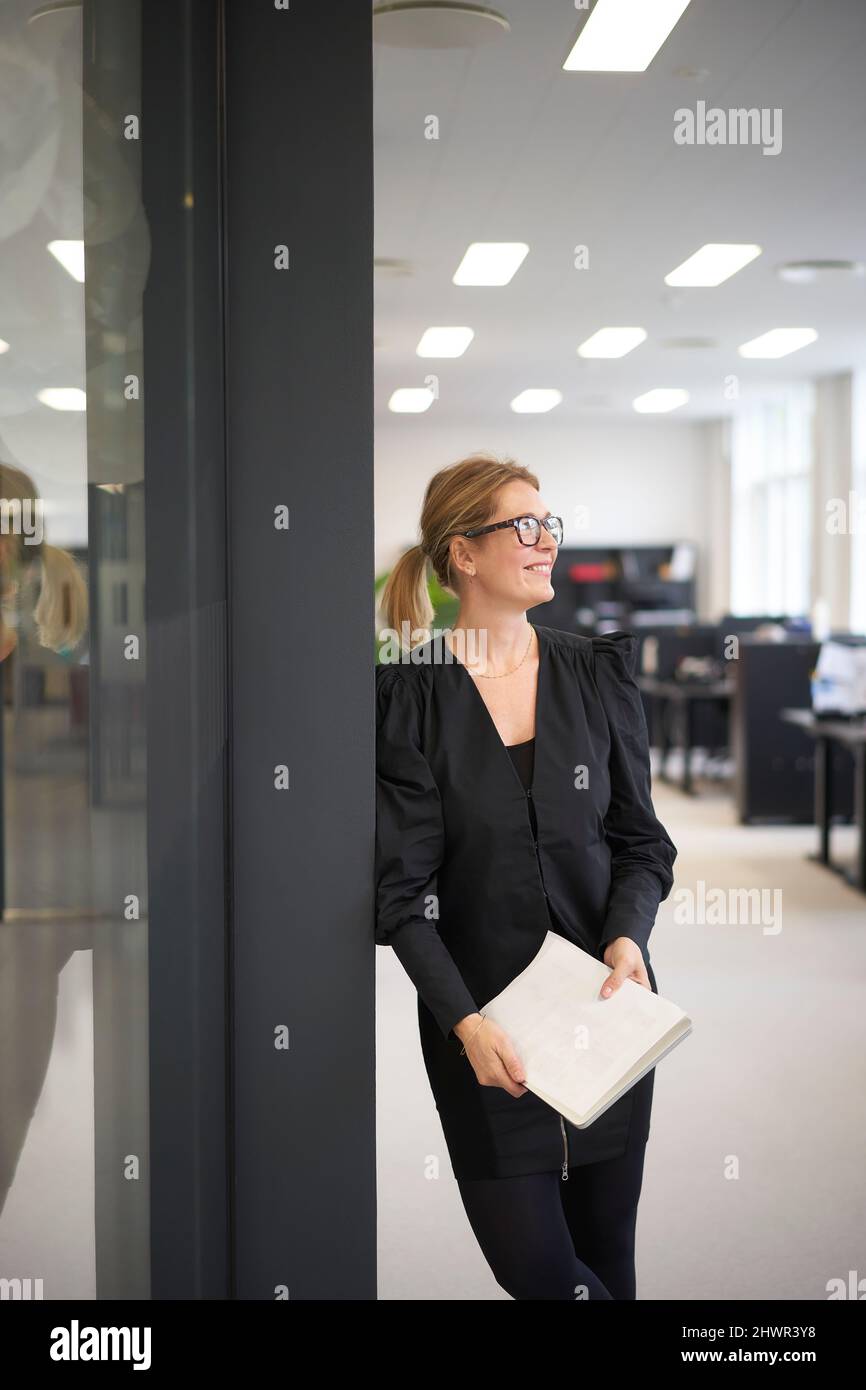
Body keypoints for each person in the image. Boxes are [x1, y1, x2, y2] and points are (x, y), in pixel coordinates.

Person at [375, 452, 677, 1301]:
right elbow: (402, 896)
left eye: (551, 524)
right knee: (545, 1279)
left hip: (608, 1009)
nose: (547, 542)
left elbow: (642, 842)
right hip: (486, 1034)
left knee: (609, 1260)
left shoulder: (597, 673)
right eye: (525, 526)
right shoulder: (407, 698)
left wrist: (628, 936)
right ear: (464, 555)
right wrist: (465, 1023)